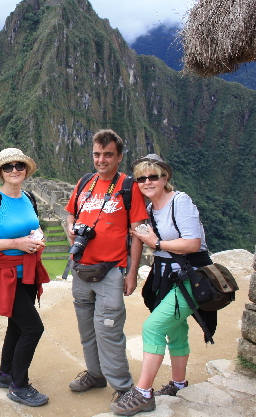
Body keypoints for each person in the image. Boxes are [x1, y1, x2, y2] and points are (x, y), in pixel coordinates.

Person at [109, 154, 212, 415]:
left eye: (153, 176)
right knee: (175, 330)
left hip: (191, 277)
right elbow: (138, 239)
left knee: (153, 328)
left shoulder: (180, 201)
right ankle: (178, 384)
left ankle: (143, 393)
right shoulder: (150, 210)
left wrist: (157, 244)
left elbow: (192, 243)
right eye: (141, 178)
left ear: (165, 178)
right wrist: (132, 272)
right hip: (167, 277)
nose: (147, 181)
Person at [64, 130, 148, 409]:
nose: (101, 160)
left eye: (108, 154)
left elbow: (137, 233)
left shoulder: (129, 187)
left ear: (119, 157)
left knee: (109, 330)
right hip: (81, 270)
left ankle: (124, 388)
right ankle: (95, 375)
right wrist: (71, 229)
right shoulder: (85, 182)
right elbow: (71, 212)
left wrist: (132, 273)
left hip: (111, 271)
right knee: (87, 329)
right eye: (97, 154)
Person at [0, 148, 51, 407]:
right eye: (9, 167)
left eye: (19, 165)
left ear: (26, 170)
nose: (15, 170)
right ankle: (19, 385)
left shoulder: (29, 197)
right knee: (33, 328)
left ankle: (5, 374)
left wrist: (38, 237)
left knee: (17, 326)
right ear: (1, 172)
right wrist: (17, 242)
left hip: (26, 271)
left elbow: (33, 226)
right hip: (4, 273)